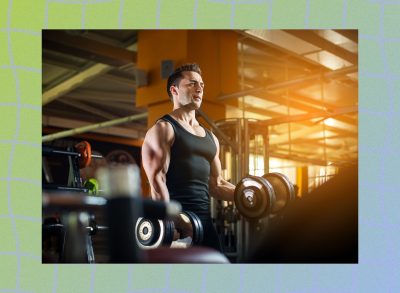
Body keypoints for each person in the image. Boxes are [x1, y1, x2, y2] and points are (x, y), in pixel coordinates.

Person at [141, 63, 235, 252]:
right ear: (174, 90)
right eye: (192, 83)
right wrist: (173, 224)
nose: (199, 88)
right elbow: (157, 182)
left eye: (201, 84)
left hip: (205, 227)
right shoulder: (164, 129)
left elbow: (217, 185)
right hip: (178, 227)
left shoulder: (211, 137)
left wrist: (250, 194)